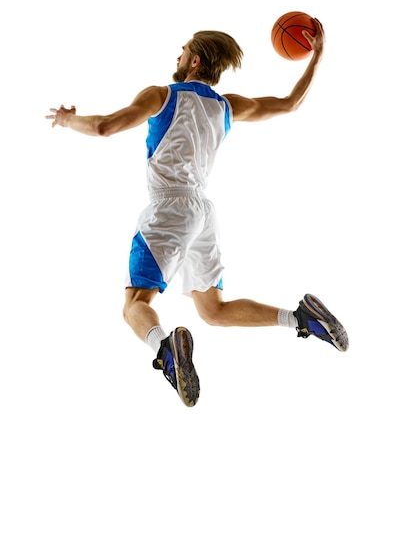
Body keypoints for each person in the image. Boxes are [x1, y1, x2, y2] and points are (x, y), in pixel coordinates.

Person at [46, 22, 348, 408]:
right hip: (203, 213)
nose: (178, 56)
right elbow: (290, 103)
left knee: (135, 303)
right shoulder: (228, 105)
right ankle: (301, 318)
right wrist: (318, 55)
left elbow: (106, 127)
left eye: (183, 50)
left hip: (169, 208)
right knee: (213, 311)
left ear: (195, 60)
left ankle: (165, 349)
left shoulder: (161, 95)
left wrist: (68, 119)